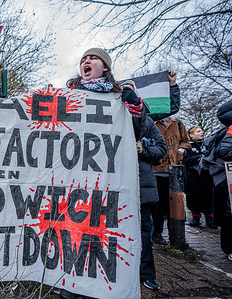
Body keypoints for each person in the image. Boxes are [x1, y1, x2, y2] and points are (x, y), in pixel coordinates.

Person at [60, 48, 146, 298]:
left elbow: (137, 132)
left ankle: (99, 287)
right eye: (83, 59)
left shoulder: (119, 98)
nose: (86, 61)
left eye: (93, 58)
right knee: (72, 229)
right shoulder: (68, 95)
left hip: (107, 179)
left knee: (101, 231)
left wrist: (135, 107)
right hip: (74, 176)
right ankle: (69, 285)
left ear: (105, 68)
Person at [124, 80, 167, 291]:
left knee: (143, 232)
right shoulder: (108, 118)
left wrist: (143, 150)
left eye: (130, 92)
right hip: (115, 185)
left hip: (142, 185)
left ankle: (146, 274)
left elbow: (161, 149)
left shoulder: (147, 122)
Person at [152, 94, 191, 245]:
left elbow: (186, 142)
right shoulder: (153, 123)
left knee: (175, 204)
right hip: (158, 169)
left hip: (175, 170)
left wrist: (181, 150)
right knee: (159, 205)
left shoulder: (178, 123)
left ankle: (177, 235)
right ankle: (157, 233)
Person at [202, 100, 232, 262]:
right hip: (226, 179)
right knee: (228, 214)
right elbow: (226, 150)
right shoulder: (230, 129)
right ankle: (228, 248)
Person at [183, 126, 216, 228]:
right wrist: (200, 157)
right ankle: (195, 218)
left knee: (208, 198)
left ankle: (210, 219)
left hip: (207, 178)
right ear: (191, 135)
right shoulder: (188, 147)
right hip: (194, 178)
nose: (201, 132)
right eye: (198, 131)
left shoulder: (207, 145)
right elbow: (186, 160)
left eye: (201, 130)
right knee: (194, 199)